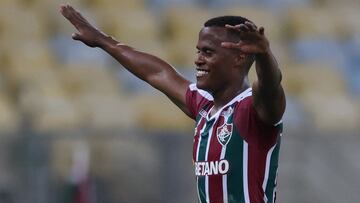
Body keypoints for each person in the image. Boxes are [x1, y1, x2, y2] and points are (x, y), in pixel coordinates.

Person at [60, 4, 285, 203]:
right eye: (198, 51)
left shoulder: (254, 108)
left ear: (239, 58)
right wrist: (102, 40)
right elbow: (157, 72)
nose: (198, 59)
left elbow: (270, 86)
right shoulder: (203, 106)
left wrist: (264, 55)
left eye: (208, 52)